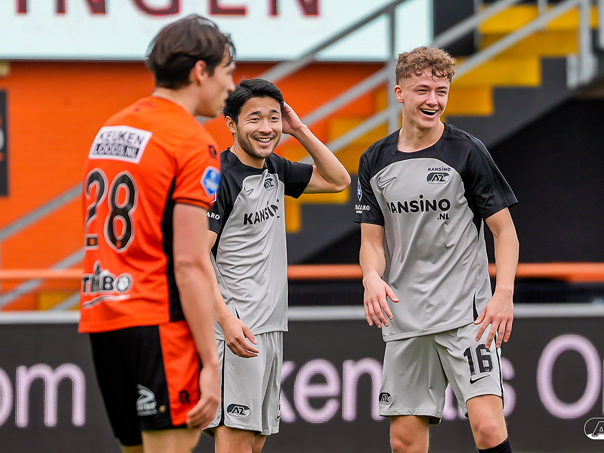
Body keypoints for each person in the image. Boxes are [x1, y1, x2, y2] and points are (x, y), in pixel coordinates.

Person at [79, 15, 236, 453]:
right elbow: (189, 262)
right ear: (200, 71)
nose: (231, 85)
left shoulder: (111, 127)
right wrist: (210, 363)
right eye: (227, 71)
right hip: (159, 321)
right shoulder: (191, 141)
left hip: (104, 313)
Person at [354, 46, 519, 453]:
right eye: (423, 90)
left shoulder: (468, 151)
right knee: (404, 442)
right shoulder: (374, 160)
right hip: (406, 317)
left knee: (488, 428)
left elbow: (505, 233)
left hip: (467, 317)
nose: (433, 101)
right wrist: (371, 277)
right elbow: (371, 241)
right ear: (399, 93)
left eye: (441, 91)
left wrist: (503, 295)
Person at [203, 78, 350, 453]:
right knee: (235, 442)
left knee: (253, 444)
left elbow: (338, 180)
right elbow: (197, 256)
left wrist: (298, 129)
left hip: (269, 328)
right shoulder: (220, 177)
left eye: (273, 117)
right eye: (254, 118)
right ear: (231, 123)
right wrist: (225, 320)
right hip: (235, 329)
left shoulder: (275, 168)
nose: (266, 128)